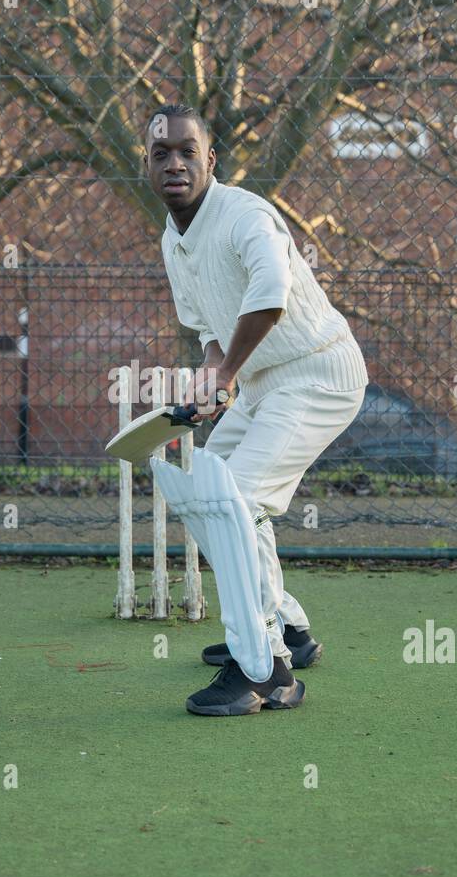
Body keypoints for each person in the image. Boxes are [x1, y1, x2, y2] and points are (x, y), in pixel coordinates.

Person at [144, 104, 369, 716]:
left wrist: (225, 373)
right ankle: (284, 625)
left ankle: (266, 671)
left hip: (320, 374)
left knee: (236, 499)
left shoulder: (246, 215)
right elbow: (207, 329)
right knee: (201, 490)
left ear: (210, 160)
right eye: (161, 153)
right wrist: (216, 377)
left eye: (188, 151)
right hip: (266, 381)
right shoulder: (175, 239)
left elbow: (269, 299)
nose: (175, 163)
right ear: (147, 164)